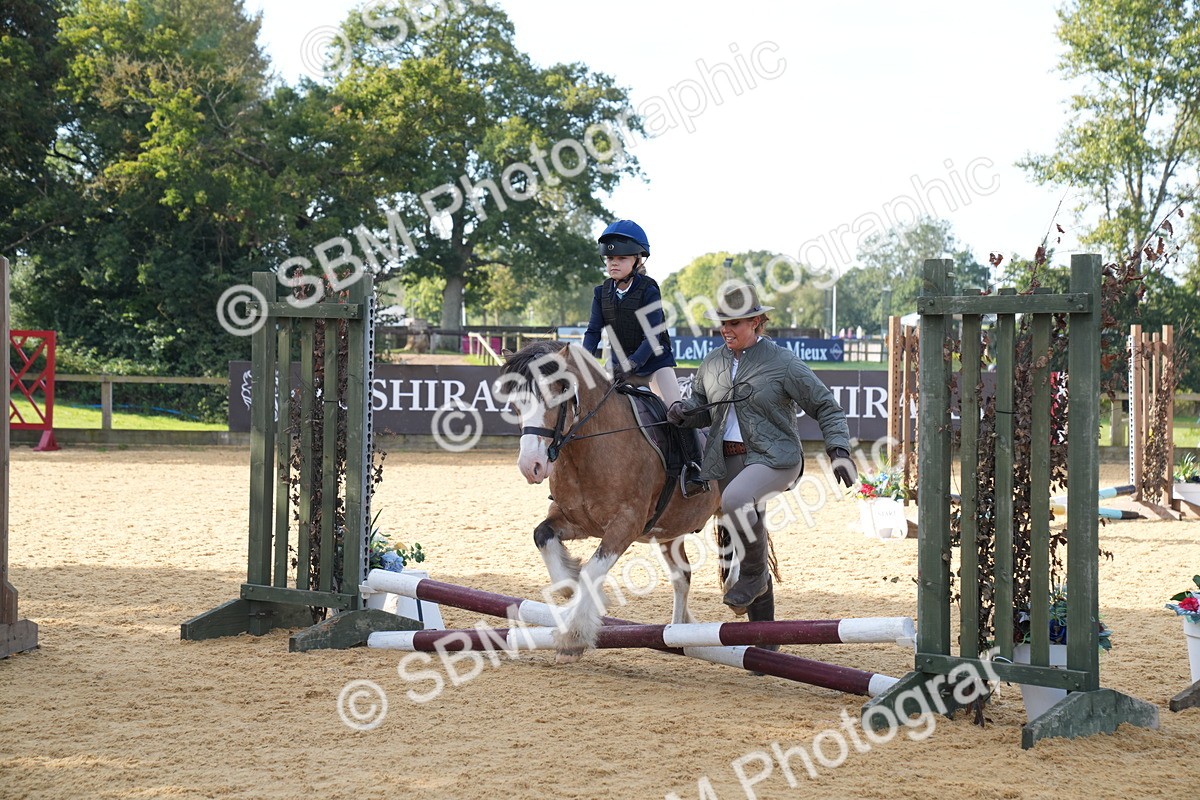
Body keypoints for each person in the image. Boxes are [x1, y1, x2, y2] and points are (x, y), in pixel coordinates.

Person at [666, 282, 859, 621]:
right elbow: (701, 407)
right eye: (722, 323)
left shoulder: (783, 362)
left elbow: (826, 405)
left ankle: (754, 576)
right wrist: (684, 412)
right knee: (742, 534)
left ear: (756, 322)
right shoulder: (712, 362)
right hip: (725, 461)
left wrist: (839, 450)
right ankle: (764, 638)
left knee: (736, 500)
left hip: (775, 458)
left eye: (734, 323)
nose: (726, 330)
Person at [582, 219, 704, 495]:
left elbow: (652, 336)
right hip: (617, 367)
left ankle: (693, 468)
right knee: (589, 409)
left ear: (637, 260)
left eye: (621, 258)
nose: (613, 263)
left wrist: (633, 364)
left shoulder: (649, 289)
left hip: (653, 366)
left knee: (677, 411)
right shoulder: (601, 293)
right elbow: (593, 332)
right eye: (610, 259)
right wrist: (582, 360)